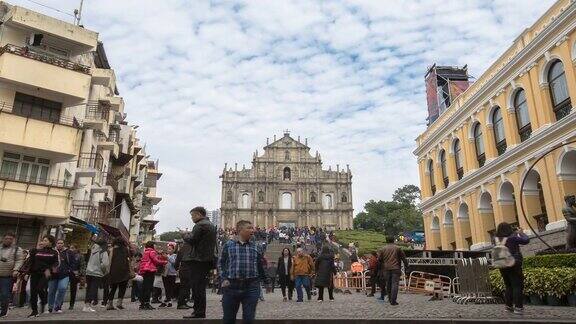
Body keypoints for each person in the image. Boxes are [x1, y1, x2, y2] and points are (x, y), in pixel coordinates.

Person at [219, 220, 266, 324]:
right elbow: (221, 263)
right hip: (231, 286)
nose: (252, 230)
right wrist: (223, 278)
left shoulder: (257, 246)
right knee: (228, 319)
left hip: (251, 286)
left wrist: (264, 281)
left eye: (252, 228)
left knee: (249, 319)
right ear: (240, 230)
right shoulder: (228, 245)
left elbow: (260, 265)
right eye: (249, 228)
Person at [182, 207, 217, 319]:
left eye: (193, 215)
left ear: (198, 214)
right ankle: (199, 311)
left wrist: (184, 235)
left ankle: (198, 312)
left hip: (198, 259)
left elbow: (192, 240)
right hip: (206, 260)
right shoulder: (210, 224)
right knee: (200, 287)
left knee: (197, 287)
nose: (192, 218)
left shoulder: (200, 225)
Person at [495, 222, 529, 315]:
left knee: (508, 286)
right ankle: (518, 307)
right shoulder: (512, 238)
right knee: (517, 286)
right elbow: (526, 240)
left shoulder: (498, 240)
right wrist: (521, 233)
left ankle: (508, 306)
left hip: (502, 264)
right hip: (513, 264)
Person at [26, 235, 58, 317]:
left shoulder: (54, 252)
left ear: (51, 242)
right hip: (34, 273)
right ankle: (34, 311)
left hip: (45, 273)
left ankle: (44, 301)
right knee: (33, 292)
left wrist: (50, 270)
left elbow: (56, 263)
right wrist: (27, 273)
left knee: (40, 288)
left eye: (46, 240)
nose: (43, 242)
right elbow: (30, 262)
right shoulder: (36, 251)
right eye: (43, 240)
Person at [47, 239, 77, 313]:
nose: (60, 244)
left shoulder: (69, 252)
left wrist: (69, 270)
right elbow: (47, 262)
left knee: (62, 288)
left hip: (64, 275)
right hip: (53, 275)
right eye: (58, 243)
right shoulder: (52, 252)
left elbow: (73, 263)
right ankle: (50, 307)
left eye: (61, 243)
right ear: (56, 244)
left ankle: (58, 306)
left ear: (64, 244)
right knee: (51, 291)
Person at [378, 236, 409, 306]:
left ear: (386, 241)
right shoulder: (398, 248)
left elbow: (379, 259)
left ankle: (390, 298)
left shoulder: (382, 249)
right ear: (393, 240)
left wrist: (381, 268)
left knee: (388, 284)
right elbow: (404, 258)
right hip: (396, 268)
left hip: (386, 269)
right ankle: (393, 300)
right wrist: (407, 266)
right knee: (395, 284)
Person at [0, 232, 25, 317]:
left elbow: (19, 260)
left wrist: (16, 269)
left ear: (14, 240)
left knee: (4, 294)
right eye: (6, 238)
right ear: (3, 239)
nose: (8, 240)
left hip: (7, 275)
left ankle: (3, 311)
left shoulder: (17, 249)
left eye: (10, 239)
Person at [138, 241, 167, 310]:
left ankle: (142, 304)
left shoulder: (145, 252)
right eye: (155, 245)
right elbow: (156, 261)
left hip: (144, 270)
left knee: (144, 287)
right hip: (150, 270)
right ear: (152, 246)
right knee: (149, 287)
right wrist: (164, 262)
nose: (156, 246)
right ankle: (147, 303)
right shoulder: (152, 252)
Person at [84, 236, 110, 313]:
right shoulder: (103, 251)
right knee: (93, 289)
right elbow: (105, 264)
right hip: (97, 273)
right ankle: (88, 305)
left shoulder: (92, 249)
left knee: (88, 289)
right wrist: (103, 270)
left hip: (89, 271)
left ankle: (86, 305)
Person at [106, 237, 131, 310]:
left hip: (114, 271)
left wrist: (108, 271)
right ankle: (119, 303)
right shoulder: (126, 250)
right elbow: (128, 260)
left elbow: (109, 261)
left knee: (113, 288)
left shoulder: (112, 250)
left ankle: (110, 304)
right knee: (122, 288)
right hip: (124, 271)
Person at [161, 243, 177, 308]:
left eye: (170, 249)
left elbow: (174, 262)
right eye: (168, 249)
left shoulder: (175, 256)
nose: (168, 250)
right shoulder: (166, 255)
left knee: (170, 288)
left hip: (172, 274)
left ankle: (168, 301)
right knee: (166, 288)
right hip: (165, 274)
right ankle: (167, 301)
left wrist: (167, 257)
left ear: (173, 250)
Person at [67, 244, 82, 310]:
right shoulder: (67, 255)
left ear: (76, 249)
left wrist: (79, 273)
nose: (71, 249)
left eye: (73, 248)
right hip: (67, 273)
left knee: (73, 289)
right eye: (70, 248)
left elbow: (82, 265)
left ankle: (71, 304)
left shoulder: (79, 256)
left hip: (75, 274)